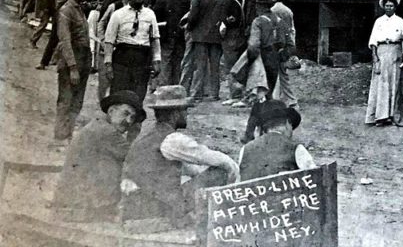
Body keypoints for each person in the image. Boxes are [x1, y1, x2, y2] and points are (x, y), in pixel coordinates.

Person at [121, 86, 238, 228]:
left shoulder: (149, 133)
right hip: (157, 208)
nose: (186, 115)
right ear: (175, 114)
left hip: (136, 205)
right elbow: (223, 162)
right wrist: (235, 183)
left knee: (188, 176)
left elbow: (189, 168)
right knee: (220, 172)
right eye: (185, 111)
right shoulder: (172, 139)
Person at [51, 91, 145, 222]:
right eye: (126, 113)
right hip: (79, 206)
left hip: (72, 201)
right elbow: (136, 158)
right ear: (111, 111)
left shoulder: (98, 125)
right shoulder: (106, 131)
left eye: (132, 118)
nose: (129, 121)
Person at [104, 0, 161, 103]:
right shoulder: (118, 14)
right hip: (122, 57)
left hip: (142, 58)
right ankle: (117, 122)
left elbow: (155, 39)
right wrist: (108, 64)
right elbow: (109, 41)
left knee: (138, 95)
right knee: (119, 93)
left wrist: (156, 60)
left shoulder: (150, 14)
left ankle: (135, 123)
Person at [53, 0, 92, 142]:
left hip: (83, 57)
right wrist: (73, 67)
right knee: (66, 99)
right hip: (72, 59)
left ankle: (68, 134)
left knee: (78, 100)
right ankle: (61, 136)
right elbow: (65, 41)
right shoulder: (66, 10)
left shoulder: (79, 9)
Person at [239, 99, 315, 181]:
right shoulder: (296, 148)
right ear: (287, 123)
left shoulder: (245, 149)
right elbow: (314, 178)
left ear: (264, 128)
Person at [365, 0, 403, 126]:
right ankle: (380, 116)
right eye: (387, 5)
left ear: (395, 7)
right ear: (383, 7)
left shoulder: (400, 21)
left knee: (394, 83)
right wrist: (374, 55)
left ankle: (392, 115)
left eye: (391, 6)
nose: (389, 8)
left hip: (395, 52)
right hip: (382, 52)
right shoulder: (379, 21)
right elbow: (373, 40)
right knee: (381, 84)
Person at [186, 0, 227, 100]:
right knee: (215, 66)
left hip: (200, 36)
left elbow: (192, 17)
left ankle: (197, 93)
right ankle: (214, 93)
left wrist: (189, 28)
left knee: (200, 66)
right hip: (215, 36)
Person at [247, 0, 294, 99]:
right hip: (275, 58)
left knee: (260, 90)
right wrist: (282, 56)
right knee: (271, 90)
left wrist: (250, 60)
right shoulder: (281, 21)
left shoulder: (258, 22)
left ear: (259, 5)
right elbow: (290, 44)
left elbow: (253, 45)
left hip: (262, 58)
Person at [153, 0, 191, 86]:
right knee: (178, 60)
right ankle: (177, 86)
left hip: (166, 32)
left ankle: (164, 87)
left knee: (165, 60)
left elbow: (156, 15)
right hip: (180, 33)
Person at [270, 0, 299, 109]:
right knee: (281, 73)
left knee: (278, 72)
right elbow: (291, 30)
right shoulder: (287, 10)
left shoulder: (273, 10)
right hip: (287, 43)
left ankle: (287, 100)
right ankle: (286, 99)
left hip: (277, 44)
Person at [221, 0, 247, 106]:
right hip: (240, 36)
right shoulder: (242, 1)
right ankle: (239, 93)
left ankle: (235, 94)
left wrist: (224, 22)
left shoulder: (231, 2)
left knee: (230, 66)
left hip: (231, 36)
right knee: (239, 66)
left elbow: (231, 20)